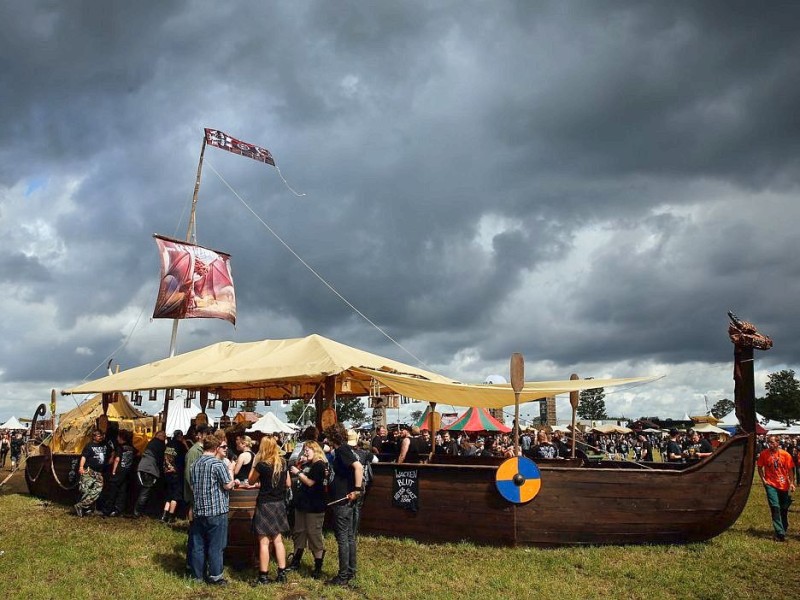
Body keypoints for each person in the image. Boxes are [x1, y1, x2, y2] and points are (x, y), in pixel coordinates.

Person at [189, 435, 235, 585]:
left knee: (198, 545)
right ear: (216, 448)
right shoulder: (218, 464)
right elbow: (228, 485)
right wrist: (232, 472)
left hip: (199, 509)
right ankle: (216, 576)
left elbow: (192, 485)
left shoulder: (194, 464)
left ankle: (197, 576)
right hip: (216, 510)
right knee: (216, 546)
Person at [322, 422, 363, 587]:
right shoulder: (342, 450)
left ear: (333, 437)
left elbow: (358, 467)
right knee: (349, 537)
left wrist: (357, 489)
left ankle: (343, 576)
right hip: (345, 498)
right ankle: (351, 571)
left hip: (343, 499)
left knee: (343, 539)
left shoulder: (342, 450)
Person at [248, 436, 291, 584]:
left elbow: (250, 480)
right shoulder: (283, 463)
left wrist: (255, 463)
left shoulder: (262, 465)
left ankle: (263, 576)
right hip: (279, 504)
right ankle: (282, 573)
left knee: (264, 542)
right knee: (278, 540)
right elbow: (288, 483)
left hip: (265, 504)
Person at [287, 440, 328, 578]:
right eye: (304, 450)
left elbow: (311, 482)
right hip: (302, 504)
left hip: (314, 506)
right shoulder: (308, 464)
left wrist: (298, 473)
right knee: (299, 533)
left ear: (315, 450)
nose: (305, 452)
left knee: (313, 534)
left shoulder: (319, 465)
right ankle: (296, 561)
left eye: (307, 450)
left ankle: (318, 566)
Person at [756, 435, 796, 542]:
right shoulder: (764, 454)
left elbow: (791, 470)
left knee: (783, 508)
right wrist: (763, 480)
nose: (770, 444)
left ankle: (784, 525)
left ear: (778, 443)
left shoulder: (785, 455)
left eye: (773, 442)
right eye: (769, 442)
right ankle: (779, 533)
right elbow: (759, 467)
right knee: (775, 507)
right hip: (770, 484)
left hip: (783, 485)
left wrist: (792, 483)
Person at [184, 424, 210, 575]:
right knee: (195, 533)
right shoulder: (194, 452)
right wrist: (196, 493)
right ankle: (191, 564)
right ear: (199, 435)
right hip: (195, 497)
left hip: (199, 497)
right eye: (205, 434)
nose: (207, 436)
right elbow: (189, 475)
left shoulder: (201, 450)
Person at [74, 429, 111, 516]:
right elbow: (84, 457)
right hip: (89, 471)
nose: (101, 437)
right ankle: (86, 509)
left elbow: (112, 451)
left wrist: (110, 460)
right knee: (85, 490)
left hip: (99, 473)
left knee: (97, 490)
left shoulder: (105, 445)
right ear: (94, 437)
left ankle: (81, 506)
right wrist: (81, 467)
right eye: (99, 436)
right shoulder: (89, 446)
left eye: (101, 436)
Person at [101, 428, 136, 517]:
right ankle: (118, 509)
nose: (117, 438)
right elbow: (137, 453)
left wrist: (113, 471)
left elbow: (117, 459)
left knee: (112, 491)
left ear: (121, 437)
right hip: (127, 471)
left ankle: (107, 510)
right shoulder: (131, 447)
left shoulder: (120, 447)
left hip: (119, 471)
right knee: (122, 491)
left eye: (118, 436)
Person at [134, 430, 167, 518]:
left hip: (142, 467)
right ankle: (138, 512)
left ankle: (139, 510)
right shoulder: (160, 444)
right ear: (159, 436)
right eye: (164, 437)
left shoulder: (151, 443)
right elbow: (160, 459)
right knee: (146, 491)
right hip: (149, 469)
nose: (165, 439)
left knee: (142, 490)